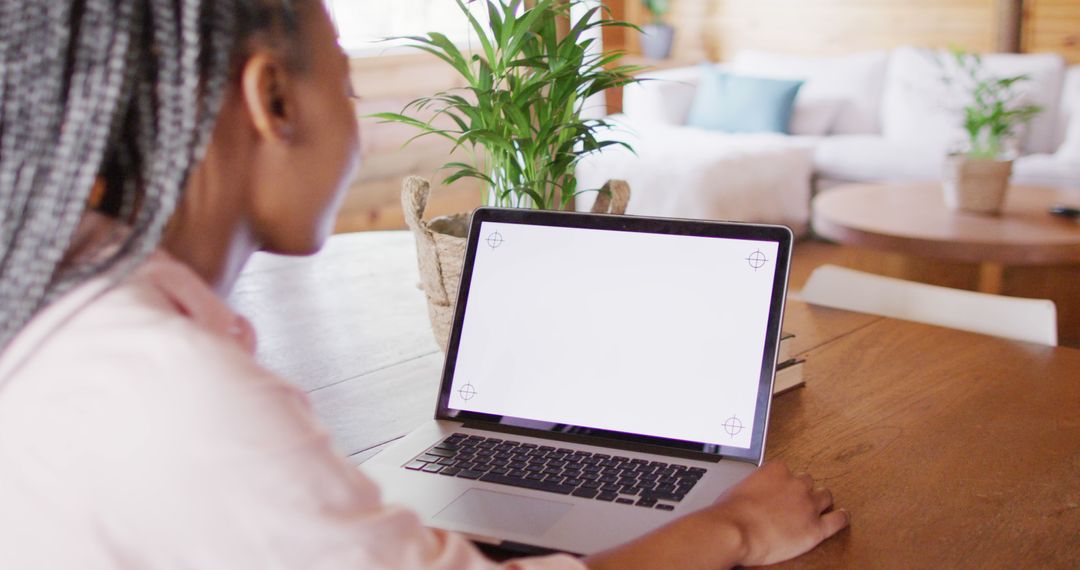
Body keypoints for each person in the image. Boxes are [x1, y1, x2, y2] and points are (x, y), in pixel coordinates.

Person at [0, 1, 849, 568]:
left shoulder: (61, 307)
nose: (360, 119)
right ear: (274, 101)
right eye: (350, 80)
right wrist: (733, 526)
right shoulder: (172, 386)